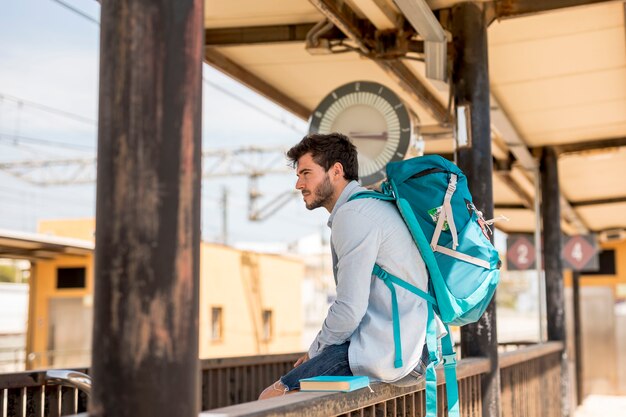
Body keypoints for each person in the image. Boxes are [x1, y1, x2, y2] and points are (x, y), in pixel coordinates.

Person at [259, 132, 430, 400]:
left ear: (336, 170)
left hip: (391, 350)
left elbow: (350, 309)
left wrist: (316, 351)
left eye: (306, 173)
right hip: (411, 345)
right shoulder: (369, 206)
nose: (298, 184)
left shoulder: (353, 215)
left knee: (273, 398)